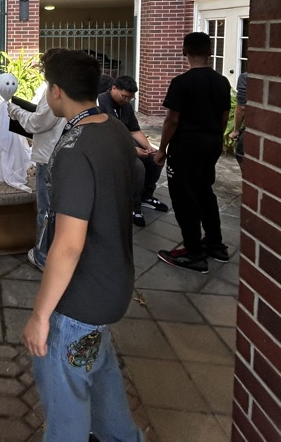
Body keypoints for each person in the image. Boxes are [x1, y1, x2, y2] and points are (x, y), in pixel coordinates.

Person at [11, 50, 154, 442]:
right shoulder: (113, 130)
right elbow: (134, 183)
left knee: (66, 381)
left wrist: (40, 315)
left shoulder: (73, 151)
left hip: (81, 296)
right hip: (114, 284)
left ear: (55, 91)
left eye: (47, 86)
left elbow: (68, 244)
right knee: (101, 368)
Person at [154, 32, 232, 272]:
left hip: (186, 147)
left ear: (184, 51)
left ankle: (194, 253)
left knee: (184, 198)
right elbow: (223, 117)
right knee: (204, 191)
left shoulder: (182, 83)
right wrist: (214, 139)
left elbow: (172, 120)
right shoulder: (222, 82)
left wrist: (162, 149)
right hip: (211, 143)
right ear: (209, 52)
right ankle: (215, 244)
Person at [7, 50, 66, 271]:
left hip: (49, 156)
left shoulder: (56, 89)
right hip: (59, 152)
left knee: (46, 209)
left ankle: (42, 256)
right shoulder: (73, 86)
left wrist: (15, 111)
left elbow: (38, 123)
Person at [98, 75, 168, 226]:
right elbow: (106, 135)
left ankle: (146, 196)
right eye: (124, 96)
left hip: (126, 142)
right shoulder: (101, 103)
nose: (126, 100)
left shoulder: (126, 106)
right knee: (137, 167)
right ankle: (133, 206)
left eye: (130, 98)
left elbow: (134, 130)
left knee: (156, 159)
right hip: (108, 145)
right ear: (114, 88)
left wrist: (148, 147)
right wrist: (133, 150)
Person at [229, 70, 248, 171]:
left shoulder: (246, 77)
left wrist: (236, 130)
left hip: (255, 127)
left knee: (241, 153)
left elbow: (242, 107)